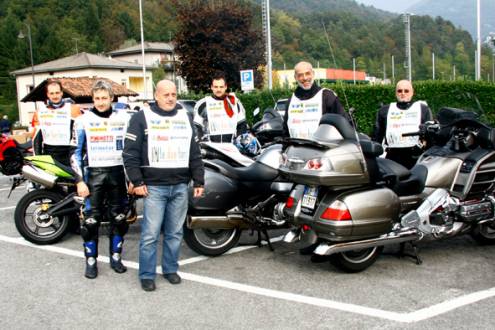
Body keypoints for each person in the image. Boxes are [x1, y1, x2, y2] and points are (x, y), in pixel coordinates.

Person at [123, 79, 205, 292]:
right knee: (150, 234)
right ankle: (147, 275)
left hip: (179, 186)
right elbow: (130, 153)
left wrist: (199, 180)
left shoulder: (185, 117)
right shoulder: (141, 118)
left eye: (173, 94)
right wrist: (137, 181)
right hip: (154, 188)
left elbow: (194, 152)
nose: (170, 98)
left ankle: (170, 269)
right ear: (156, 95)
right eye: (166, 94)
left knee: (175, 233)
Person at [71, 80, 131, 279]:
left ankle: (116, 257)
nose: (101, 102)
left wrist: (132, 179)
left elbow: (131, 152)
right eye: (97, 98)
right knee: (91, 221)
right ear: (93, 99)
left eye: (104, 98)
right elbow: (75, 153)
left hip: (117, 174)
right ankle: (91, 261)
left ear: (111, 98)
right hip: (93, 175)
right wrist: (79, 180)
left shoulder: (123, 118)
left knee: (119, 218)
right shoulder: (82, 120)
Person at [372, 79, 433, 169]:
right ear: (396, 93)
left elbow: (430, 133)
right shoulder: (385, 110)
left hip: (415, 156)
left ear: (412, 92)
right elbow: (377, 135)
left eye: (406, 91)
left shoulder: (423, 109)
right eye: (399, 91)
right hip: (392, 156)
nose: (403, 93)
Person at [283, 61, 350, 139]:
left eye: (307, 73)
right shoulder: (291, 100)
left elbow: (344, 123)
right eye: (300, 75)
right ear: (295, 78)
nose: (305, 78)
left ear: (313, 74)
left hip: (323, 149)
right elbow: (285, 132)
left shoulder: (327, 96)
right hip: (296, 149)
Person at [32, 80, 82, 166]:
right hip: (49, 153)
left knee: (71, 179)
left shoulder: (73, 109)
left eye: (57, 92)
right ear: (47, 94)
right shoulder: (40, 111)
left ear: (61, 93)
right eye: (52, 93)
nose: (55, 96)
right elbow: (36, 138)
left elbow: (80, 134)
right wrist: (38, 160)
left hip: (68, 153)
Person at [193, 73, 249, 143]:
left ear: (226, 87)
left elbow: (242, 125)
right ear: (211, 87)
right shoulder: (203, 104)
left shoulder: (234, 102)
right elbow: (196, 126)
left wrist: (239, 142)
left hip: (231, 148)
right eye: (216, 87)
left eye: (221, 87)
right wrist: (201, 141)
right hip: (210, 148)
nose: (218, 89)